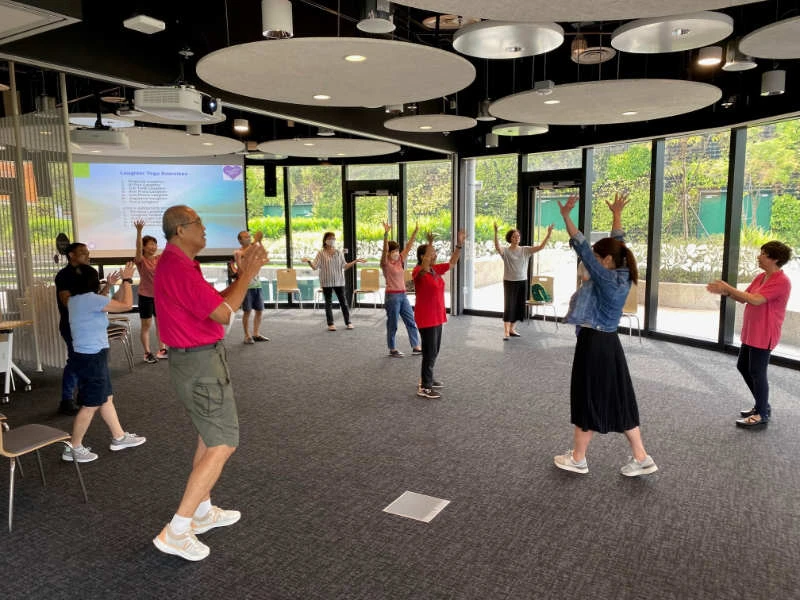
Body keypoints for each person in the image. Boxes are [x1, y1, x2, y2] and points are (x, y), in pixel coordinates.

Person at [152, 205, 267, 562]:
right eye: (199, 223)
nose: (204, 228)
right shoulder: (176, 267)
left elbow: (217, 302)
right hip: (199, 363)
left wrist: (242, 275)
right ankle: (177, 528)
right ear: (180, 230)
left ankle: (201, 512)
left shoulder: (181, 265)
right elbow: (223, 313)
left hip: (199, 359)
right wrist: (248, 274)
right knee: (223, 442)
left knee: (208, 434)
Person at [553, 192, 658, 477]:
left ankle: (578, 458)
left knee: (587, 396)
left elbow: (582, 247)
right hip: (609, 344)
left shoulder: (606, 277)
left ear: (606, 260)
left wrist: (566, 217)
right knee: (618, 397)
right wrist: (616, 216)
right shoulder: (622, 271)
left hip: (593, 344)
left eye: (599, 258)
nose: (592, 262)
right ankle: (641, 456)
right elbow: (619, 243)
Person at [61, 262, 146, 463]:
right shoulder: (91, 300)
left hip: (89, 355)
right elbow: (125, 304)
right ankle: (73, 448)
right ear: (91, 282)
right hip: (92, 358)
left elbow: (103, 300)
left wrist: (108, 286)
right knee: (90, 404)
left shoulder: (76, 300)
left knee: (105, 398)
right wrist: (126, 280)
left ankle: (119, 437)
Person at [706, 241, 792, 428]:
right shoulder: (761, 277)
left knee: (757, 373)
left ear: (775, 259)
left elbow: (755, 300)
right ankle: (762, 406)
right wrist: (726, 292)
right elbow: (744, 297)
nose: (758, 256)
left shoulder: (781, 281)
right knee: (743, 366)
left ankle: (762, 413)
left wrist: (728, 287)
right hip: (752, 331)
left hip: (765, 333)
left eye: (763, 254)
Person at [54, 243, 118, 415]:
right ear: (71, 255)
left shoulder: (89, 273)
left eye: (88, 253)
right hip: (71, 326)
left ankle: (83, 396)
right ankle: (66, 399)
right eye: (83, 253)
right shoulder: (63, 275)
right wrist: (87, 300)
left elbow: (96, 300)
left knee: (85, 361)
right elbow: (68, 303)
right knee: (76, 361)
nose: (87, 256)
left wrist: (107, 287)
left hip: (91, 327)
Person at [413, 229, 466, 399]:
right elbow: (424, 266)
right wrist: (429, 244)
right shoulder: (418, 272)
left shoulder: (435, 270)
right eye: (431, 253)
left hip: (437, 317)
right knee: (429, 352)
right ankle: (425, 387)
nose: (434, 254)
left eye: (434, 252)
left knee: (434, 351)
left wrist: (459, 244)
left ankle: (427, 378)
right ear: (423, 256)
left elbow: (452, 262)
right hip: (426, 318)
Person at [493, 222, 554, 340]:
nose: (517, 238)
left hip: (522, 281)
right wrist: (496, 233)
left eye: (518, 236)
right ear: (510, 239)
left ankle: (512, 329)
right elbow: (497, 247)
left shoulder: (525, 250)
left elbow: (541, 247)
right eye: (514, 236)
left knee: (519, 306)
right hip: (509, 281)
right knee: (509, 306)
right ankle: (506, 332)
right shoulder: (505, 251)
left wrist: (548, 234)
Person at [303, 232, 365, 331]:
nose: (332, 240)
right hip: (326, 281)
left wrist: (355, 261)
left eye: (334, 238)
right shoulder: (321, 253)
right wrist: (309, 261)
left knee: (343, 302)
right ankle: (330, 323)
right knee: (328, 302)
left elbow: (344, 266)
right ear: (325, 240)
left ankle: (348, 322)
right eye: (330, 238)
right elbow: (315, 267)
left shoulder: (338, 252)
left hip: (339, 281)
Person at [380, 221, 421, 357]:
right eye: (394, 251)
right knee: (393, 324)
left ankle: (415, 346)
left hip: (403, 296)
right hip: (392, 297)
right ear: (389, 253)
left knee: (411, 320)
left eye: (397, 251)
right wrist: (386, 234)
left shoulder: (400, 260)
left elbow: (409, 246)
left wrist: (415, 232)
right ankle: (392, 349)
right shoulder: (385, 263)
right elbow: (384, 250)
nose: (397, 253)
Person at [134, 220, 167, 363]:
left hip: (160, 297)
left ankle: (162, 349)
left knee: (161, 324)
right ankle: (147, 353)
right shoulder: (140, 260)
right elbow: (138, 247)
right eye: (150, 244)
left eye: (155, 244)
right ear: (144, 247)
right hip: (146, 296)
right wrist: (139, 231)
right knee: (146, 326)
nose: (153, 247)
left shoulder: (159, 259)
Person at [234, 230, 270, 344]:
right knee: (247, 311)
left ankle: (256, 333)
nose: (248, 238)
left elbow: (264, 254)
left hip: (257, 285)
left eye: (249, 237)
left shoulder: (254, 249)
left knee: (259, 310)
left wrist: (260, 242)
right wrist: (256, 242)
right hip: (246, 286)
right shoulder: (238, 253)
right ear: (240, 240)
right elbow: (241, 267)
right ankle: (247, 335)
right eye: (245, 237)